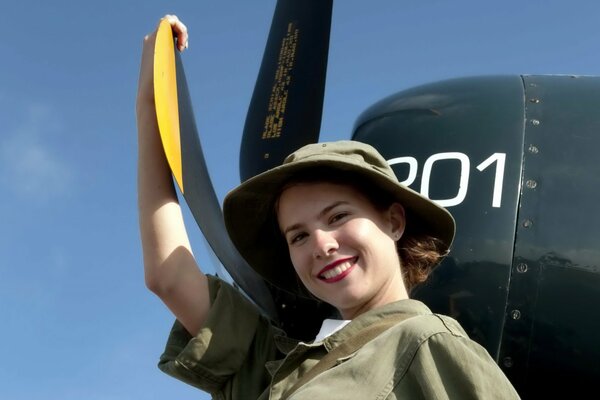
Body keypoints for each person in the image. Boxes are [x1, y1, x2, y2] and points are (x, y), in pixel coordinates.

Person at [137, 15, 521, 400]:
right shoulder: (276, 364)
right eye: (298, 235)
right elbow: (169, 277)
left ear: (394, 220)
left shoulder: (430, 344)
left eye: (338, 216)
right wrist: (151, 99)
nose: (321, 244)